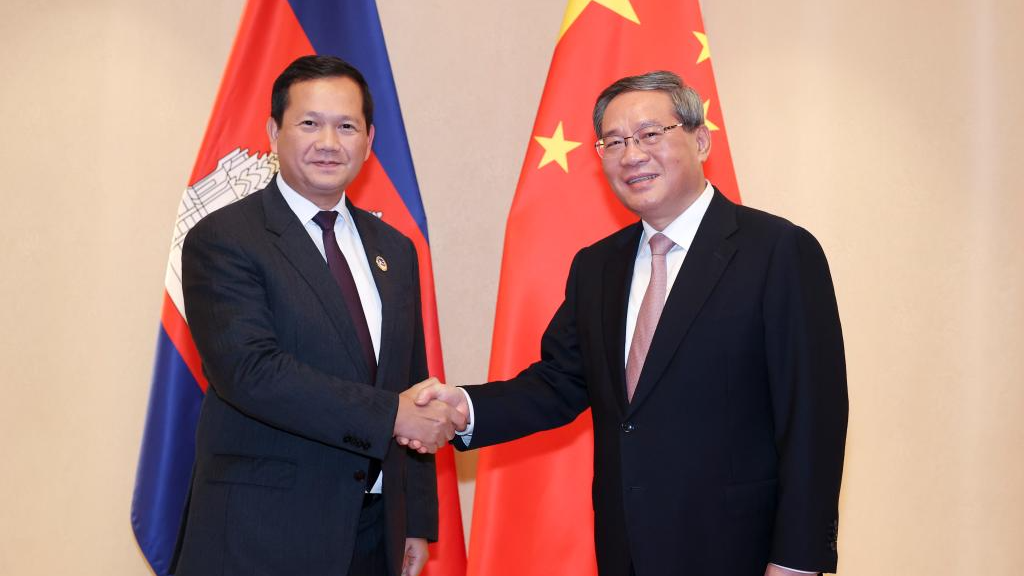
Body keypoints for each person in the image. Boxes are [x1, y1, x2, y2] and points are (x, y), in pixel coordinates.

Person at [411, 71, 848, 576]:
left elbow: (813, 420)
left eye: (649, 135)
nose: (631, 154)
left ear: (700, 139)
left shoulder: (778, 252)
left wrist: (796, 562)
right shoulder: (598, 266)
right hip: (626, 550)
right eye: (614, 142)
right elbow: (560, 383)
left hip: (739, 551)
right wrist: (463, 409)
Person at [171, 55, 465, 576]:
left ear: (369, 141)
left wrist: (415, 517)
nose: (329, 142)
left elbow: (409, 381)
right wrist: (390, 415)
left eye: (346, 126)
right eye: (309, 123)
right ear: (273, 132)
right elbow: (250, 373)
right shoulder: (223, 240)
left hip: (375, 533)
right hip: (262, 531)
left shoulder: (395, 250)